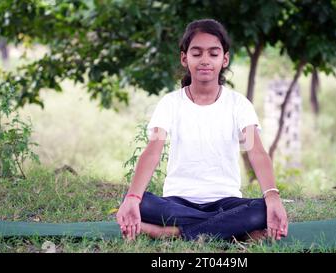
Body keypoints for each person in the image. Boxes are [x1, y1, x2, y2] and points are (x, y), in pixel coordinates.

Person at [116, 18, 288, 242]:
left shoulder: (239, 104)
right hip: (177, 203)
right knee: (140, 203)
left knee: (262, 209)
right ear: (184, 58)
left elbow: (256, 151)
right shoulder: (170, 103)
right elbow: (153, 150)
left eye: (213, 54)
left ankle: (175, 233)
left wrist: (272, 196)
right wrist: (132, 196)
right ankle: (231, 231)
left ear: (224, 59)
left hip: (226, 202)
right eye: (197, 53)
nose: (205, 60)